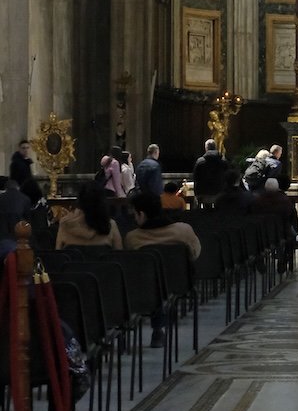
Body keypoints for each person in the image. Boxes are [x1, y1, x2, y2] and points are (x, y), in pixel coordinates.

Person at [125, 191, 201, 347]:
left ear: (141, 214)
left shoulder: (133, 238)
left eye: (135, 214)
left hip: (145, 289)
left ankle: (158, 327)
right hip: (181, 283)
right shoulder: (183, 230)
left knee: (154, 282)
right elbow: (195, 253)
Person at [56, 183, 123, 249]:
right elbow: (119, 256)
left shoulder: (65, 224)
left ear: (79, 202)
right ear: (102, 203)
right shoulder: (110, 225)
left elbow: (58, 254)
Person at [192, 139, 228, 208]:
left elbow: (195, 177)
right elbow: (227, 176)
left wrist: (197, 194)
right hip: (219, 192)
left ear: (206, 148)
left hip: (203, 193)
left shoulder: (200, 162)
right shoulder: (223, 161)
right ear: (215, 147)